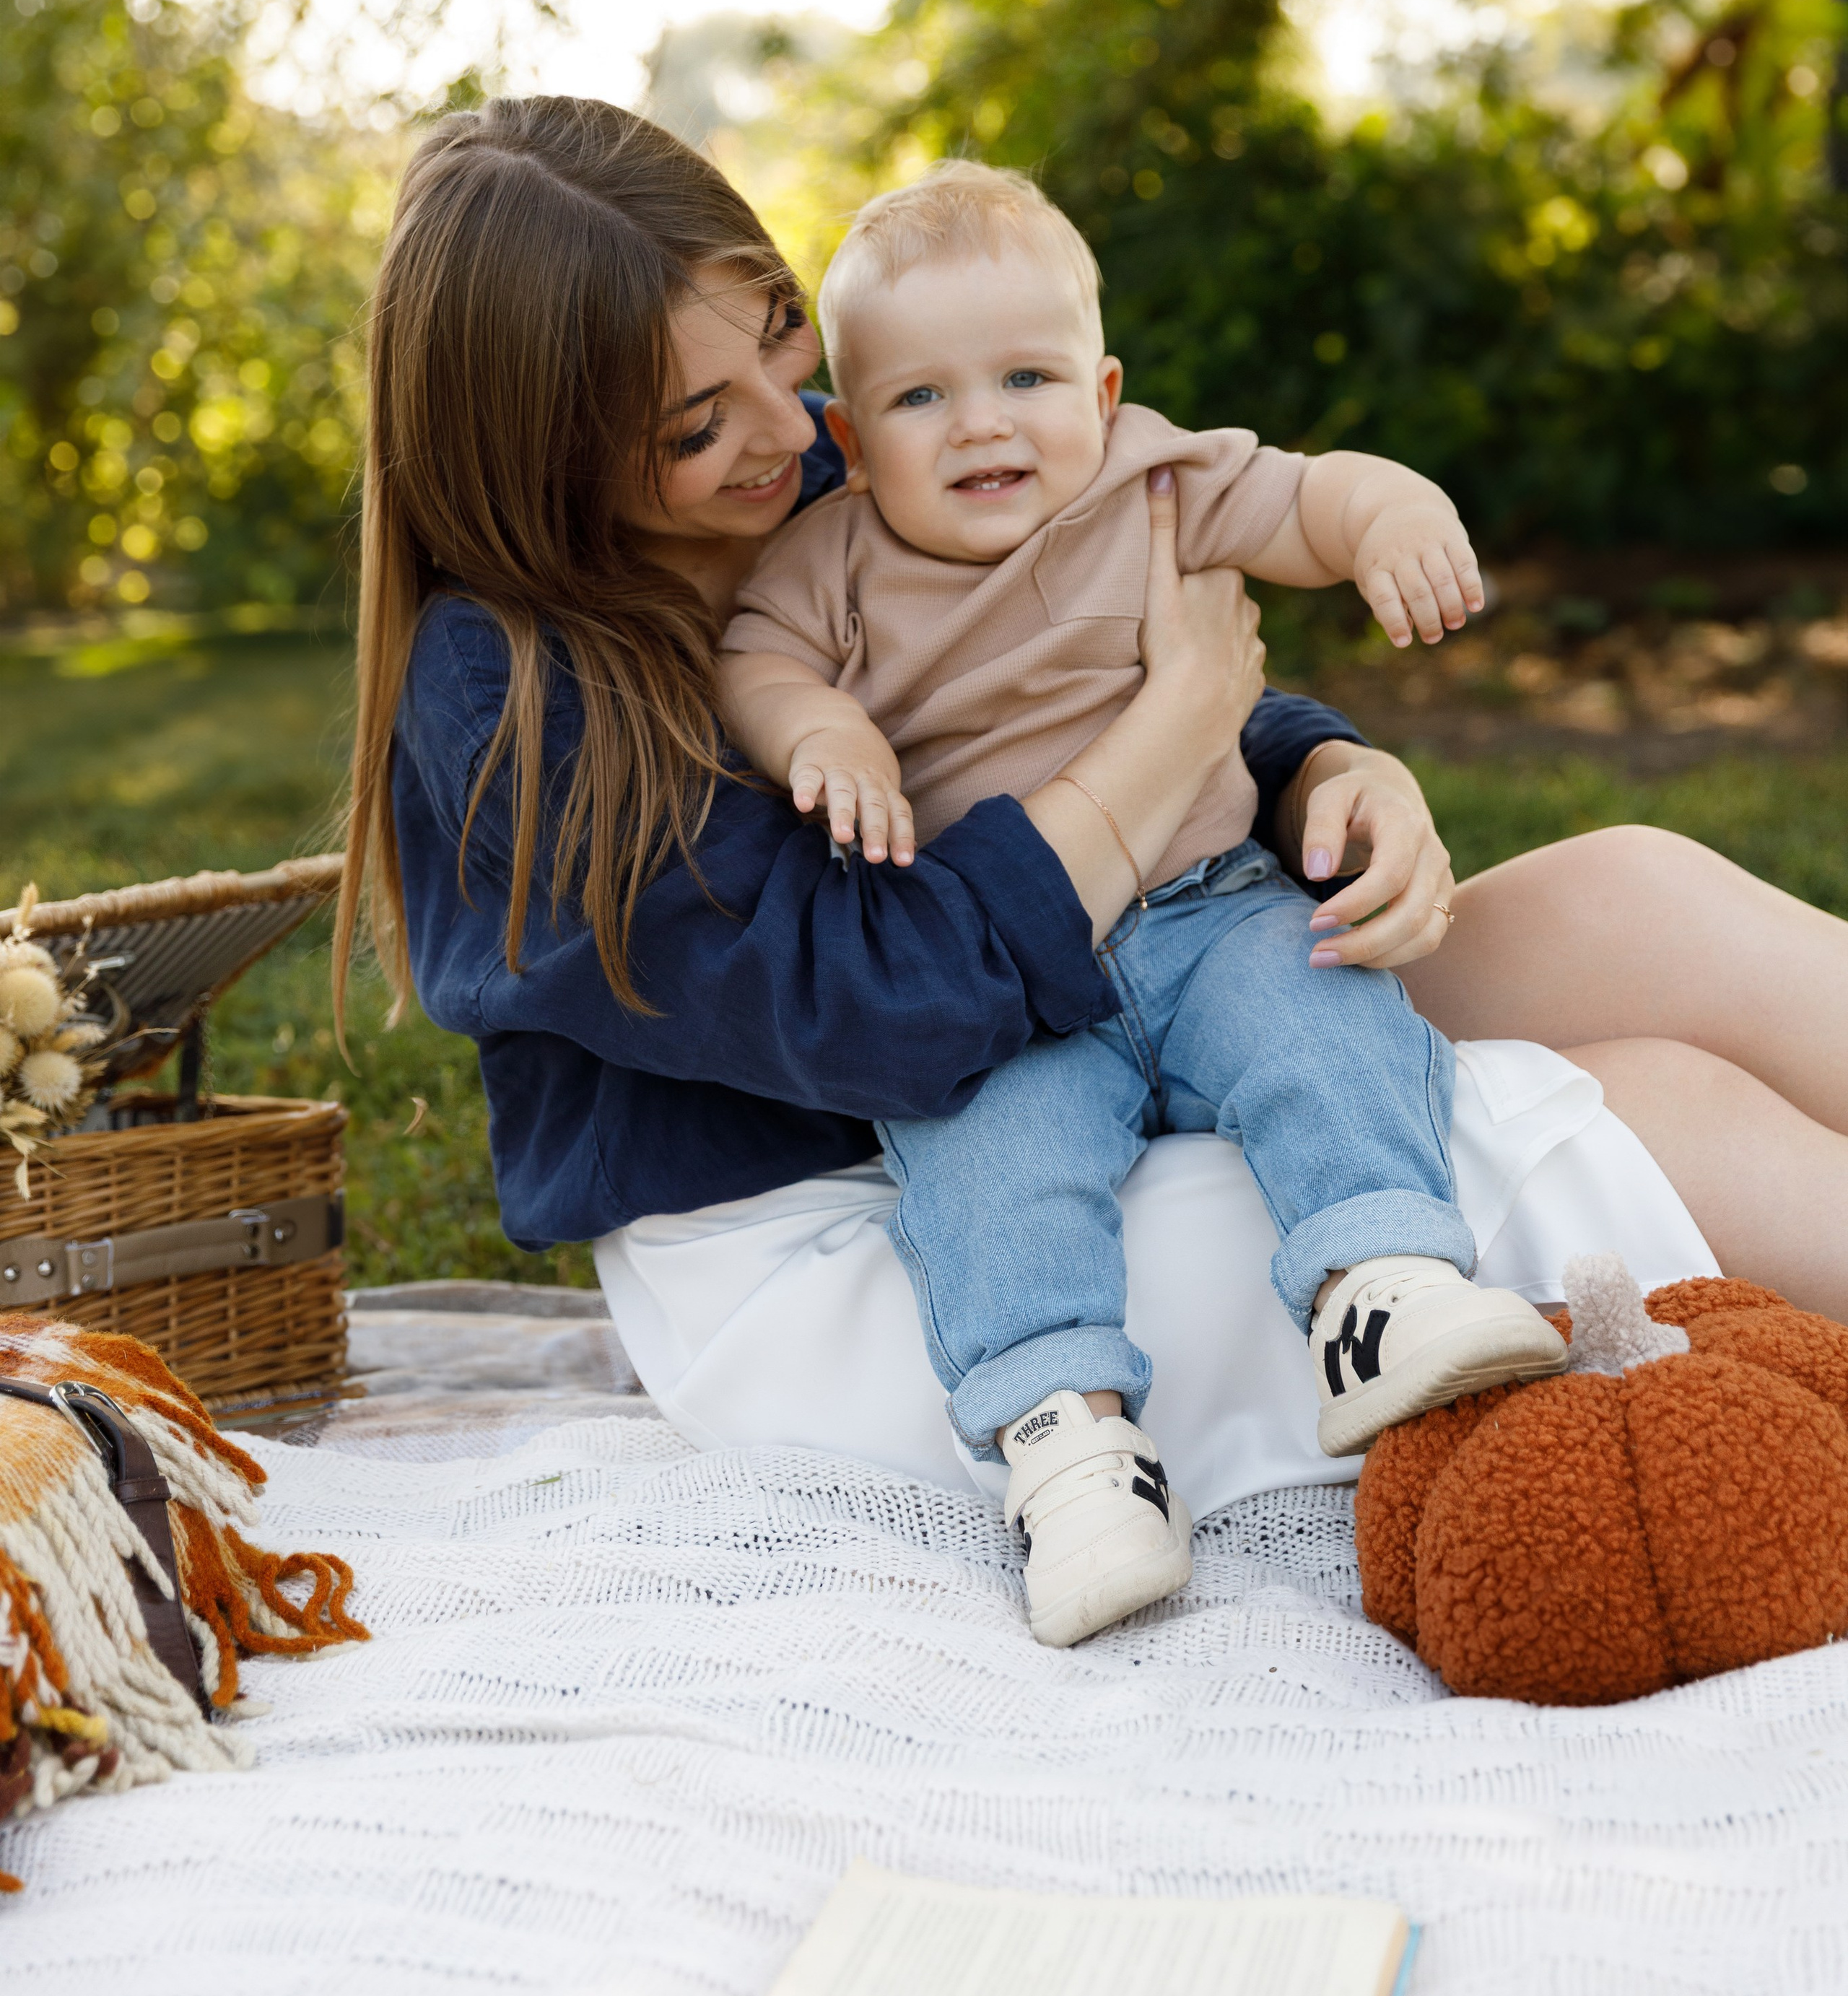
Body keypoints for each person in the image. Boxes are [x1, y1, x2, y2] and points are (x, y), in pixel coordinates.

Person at [337, 95, 1848, 1587]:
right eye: (689, 424)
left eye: (779, 334)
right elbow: (874, 1012)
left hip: (1098, 1014)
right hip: (887, 1215)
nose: (779, 428)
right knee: (1629, 1109)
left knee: (1629, 893)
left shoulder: (848, 452)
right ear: (536, 464)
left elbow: (1071, 664)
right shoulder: (507, 695)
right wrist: (1182, 720)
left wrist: (1320, 759)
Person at [715, 162, 1566, 1647]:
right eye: (918, 400)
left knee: (1320, 1012)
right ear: (847, 440)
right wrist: (824, 732)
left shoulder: (1150, 479)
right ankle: (1068, 1450)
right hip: (1008, 986)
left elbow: (1306, 498)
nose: (980, 422)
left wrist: (1386, 514)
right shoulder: (826, 560)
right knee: (992, 1166)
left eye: (1025, 376)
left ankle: (1379, 1289)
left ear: (1101, 391)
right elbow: (757, 667)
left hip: (1204, 907)